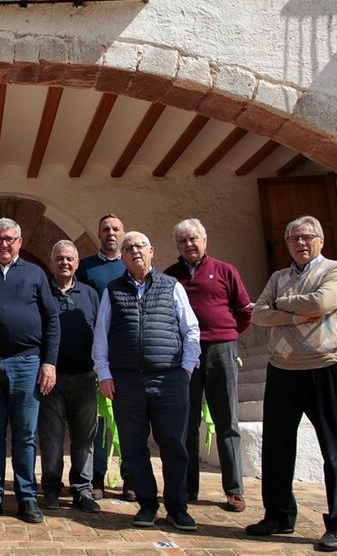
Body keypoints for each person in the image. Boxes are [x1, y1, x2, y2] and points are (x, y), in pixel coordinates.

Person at [246, 216, 337, 553]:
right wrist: (293, 314)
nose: (300, 243)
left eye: (307, 237)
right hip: (282, 369)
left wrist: (279, 305)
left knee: (333, 450)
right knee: (277, 448)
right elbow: (257, 314)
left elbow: (321, 303)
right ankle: (278, 515)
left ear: (320, 240)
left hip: (324, 368)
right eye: (293, 238)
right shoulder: (279, 277)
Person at [93, 231, 201, 532]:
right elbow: (101, 335)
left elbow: (190, 329)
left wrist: (186, 369)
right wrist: (104, 373)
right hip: (127, 382)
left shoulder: (172, 286)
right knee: (133, 446)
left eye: (139, 246)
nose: (134, 252)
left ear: (151, 251)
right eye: (128, 249)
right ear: (123, 257)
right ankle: (147, 504)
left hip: (169, 379)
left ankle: (177, 507)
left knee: (174, 445)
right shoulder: (113, 290)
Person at [0, 218, 60, 524]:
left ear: (20, 242)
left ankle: (26, 497)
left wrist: (49, 362)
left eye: (10, 238)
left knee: (24, 436)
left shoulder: (36, 274)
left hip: (27, 364)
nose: (4, 244)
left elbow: (52, 321)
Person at [163, 218, 252, 512]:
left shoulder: (225, 271)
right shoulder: (171, 276)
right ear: (177, 245)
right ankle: (188, 488)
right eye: (183, 241)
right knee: (185, 423)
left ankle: (234, 489)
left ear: (204, 240)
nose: (189, 245)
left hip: (221, 350)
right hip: (185, 355)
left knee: (227, 421)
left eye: (193, 239)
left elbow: (244, 309)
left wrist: (227, 335)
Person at [38, 240, 102, 513]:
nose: (65, 263)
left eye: (70, 259)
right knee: (51, 437)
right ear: (52, 262)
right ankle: (51, 488)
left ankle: (82, 489)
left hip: (86, 376)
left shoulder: (90, 294)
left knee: (84, 437)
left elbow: (101, 333)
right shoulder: (42, 292)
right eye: (59, 258)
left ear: (77, 263)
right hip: (52, 377)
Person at [76, 213, 133, 501]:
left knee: (127, 418)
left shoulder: (132, 266)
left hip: (128, 354)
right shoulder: (85, 268)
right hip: (95, 355)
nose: (111, 233)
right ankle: (96, 476)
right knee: (97, 420)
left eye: (116, 229)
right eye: (106, 229)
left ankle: (130, 477)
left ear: (123, 233)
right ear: (99, 234)